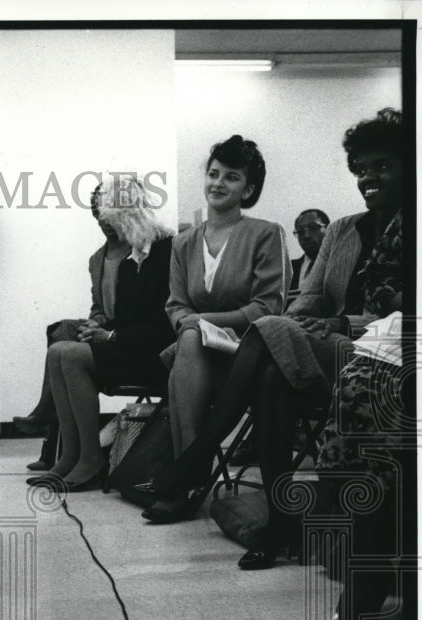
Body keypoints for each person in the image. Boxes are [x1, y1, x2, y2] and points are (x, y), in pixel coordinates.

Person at [141, 109, 405, 572]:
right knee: (269, 378)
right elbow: (310, 295)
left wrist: (344, 325)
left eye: (382, 166)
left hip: (383, 354)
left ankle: (197, 457)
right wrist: (301, 324)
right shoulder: (344, 229)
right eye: (361, 168)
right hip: (324, 351)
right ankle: (281, 521)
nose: (368, 178)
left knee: (269, 329)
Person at [25, 178, 175, 491]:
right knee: (58, 350)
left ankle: (90, 460)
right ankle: (69, 456)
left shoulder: (166, 250)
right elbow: (124, 316)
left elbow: (162, 324)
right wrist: (103, 328)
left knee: (69, 352)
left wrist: (109, 336)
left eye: (111, 218)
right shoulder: (135, 255)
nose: (106, 225)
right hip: (133, 347)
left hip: (159, 354)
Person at [157, 135, 288, 486]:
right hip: (197, 351)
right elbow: (176, 304)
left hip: (249, 352)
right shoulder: (183, 242)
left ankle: (186, 472)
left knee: (188, 338)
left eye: (231, 177)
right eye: (213, 174)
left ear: (248, 189)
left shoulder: (266, 234)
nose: (217, 183)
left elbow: (268, 306)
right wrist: (193, 324)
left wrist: (201, 321)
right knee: (188, 339)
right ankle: (190, 471)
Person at [11, 184, 125, 470]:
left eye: (111, 215)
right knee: (59, 330)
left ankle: (48, 426)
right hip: (106, 328)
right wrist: (94, 323)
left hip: (125, 336)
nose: (106, 223)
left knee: (63, 344)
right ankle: (52, 434)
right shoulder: (97, 259)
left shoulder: (141, 251)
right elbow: (99, 307)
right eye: (100, 216)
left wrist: (103, 330)